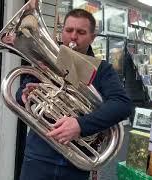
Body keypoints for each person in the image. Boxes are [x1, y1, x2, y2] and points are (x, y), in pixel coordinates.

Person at [16, 9, 132, 180]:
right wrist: (27, 93)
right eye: (69, 30)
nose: (73, 37)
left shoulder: (102, 69)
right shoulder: (47, 60)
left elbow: (122, 105)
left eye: (81, 32)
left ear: (92, 37)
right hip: (38, 155)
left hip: (76, 162)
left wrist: (80, 125)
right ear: (62, 31)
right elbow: (20, 95)